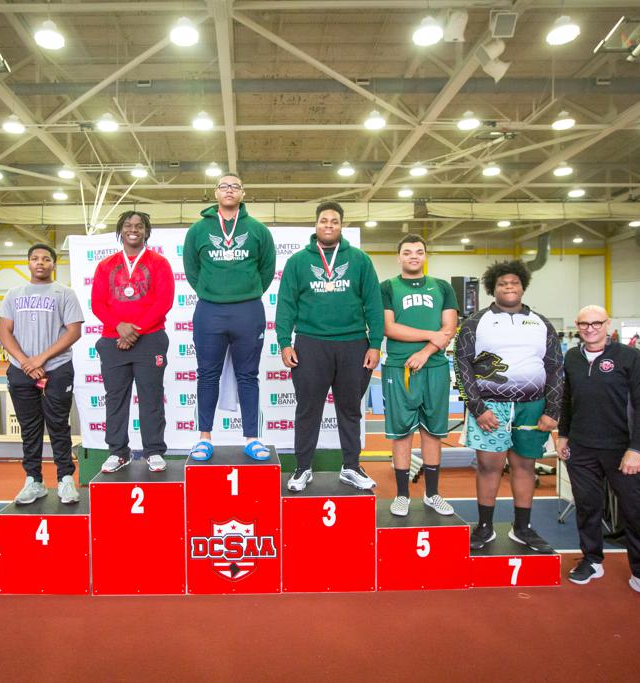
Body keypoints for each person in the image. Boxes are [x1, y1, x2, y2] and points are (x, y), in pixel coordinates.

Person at [558, 305, 640, 608]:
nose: (590, 328)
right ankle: (592, 560)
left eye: (597, 323)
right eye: (584, 323)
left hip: (622, 450)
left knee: (636, 511)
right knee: (587, 506)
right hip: (581, 449)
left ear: (608, 324)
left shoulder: (630, 358)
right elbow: (567, 401)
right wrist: (563, 435)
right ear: (577, 325)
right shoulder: (571, 357)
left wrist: (635, 449)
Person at [454, 260, 561, 553]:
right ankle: (485, 527)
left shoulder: (542, 323)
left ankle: (522, 528)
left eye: (514, 283)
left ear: (523, 286)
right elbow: (461, 364)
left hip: (532, 405)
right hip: (490, 405)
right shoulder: (476, 322)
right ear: (493, 289)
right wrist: (477, 407)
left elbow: (555, 367)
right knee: (489, 466)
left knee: (524, 465)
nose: (509, 287)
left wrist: (553, 410)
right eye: (502, 284)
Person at [275, 202, 383, 491]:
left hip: (353, 344)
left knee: (350, 409)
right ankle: (302, 468)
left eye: (334, 221)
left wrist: (375, 344)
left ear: (341, 226)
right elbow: (286, 304)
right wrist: (285, 342)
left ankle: (351, 466)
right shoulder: (298, 261)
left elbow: (373, 303)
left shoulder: (359, 260)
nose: (329, 225)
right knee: (308, 409)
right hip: (311, 343)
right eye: (324, 220)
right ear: (316, 225)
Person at [183, 174, 276, 461]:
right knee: (207, 374)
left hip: (247, 310)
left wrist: (247, 291)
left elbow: (267, 269)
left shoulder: (258, 230)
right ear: (215, 193)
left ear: (242, 193)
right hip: (209, 310)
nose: (229, 190)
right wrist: (211, 291)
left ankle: (251, 437)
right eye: (224, 186)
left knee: (248, 375)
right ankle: (204, 437)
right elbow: (191, 269)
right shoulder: (198, 230)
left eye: (234, 186)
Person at [0, 244, 84, 505]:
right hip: (21, 370)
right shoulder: (13, 294)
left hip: (56, 368)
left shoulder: (65, 293)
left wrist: (41, 359)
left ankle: (65, 479)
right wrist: (26, 362)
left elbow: (73, 332)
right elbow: (4, 332)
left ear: (53, 264)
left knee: (58, 425)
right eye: (34, 258)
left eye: (46, 259)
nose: (40, 262)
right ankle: (33, 480)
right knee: (30, 428)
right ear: (28, 263)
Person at [379, 235, 458, 515]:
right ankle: (402, 495)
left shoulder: (442, 287)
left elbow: (449, 328)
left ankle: (432, 494)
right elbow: (389, 327)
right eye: (408, 252)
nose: (413, 256)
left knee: (433, 432)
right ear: (398, 257)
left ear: (425, 256)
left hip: (434, 366)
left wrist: (425, 352)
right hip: (399, 366)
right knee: (401, 434)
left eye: (419, 252)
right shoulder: (387, 287)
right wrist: (430, 335)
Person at [91, 211, 175, 474]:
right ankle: (118, 452)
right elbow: (97, 303)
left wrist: (134, 331)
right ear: (120, 230)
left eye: (139, 226)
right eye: (128, 225)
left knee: (150, 398)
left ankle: (153, 451)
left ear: (146, 231)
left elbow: (164, 302)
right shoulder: (106, 265)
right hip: (113, 340)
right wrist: (119, 328)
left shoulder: (159, 263)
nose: (133, 229)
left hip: (149, 339)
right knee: (115, 398)